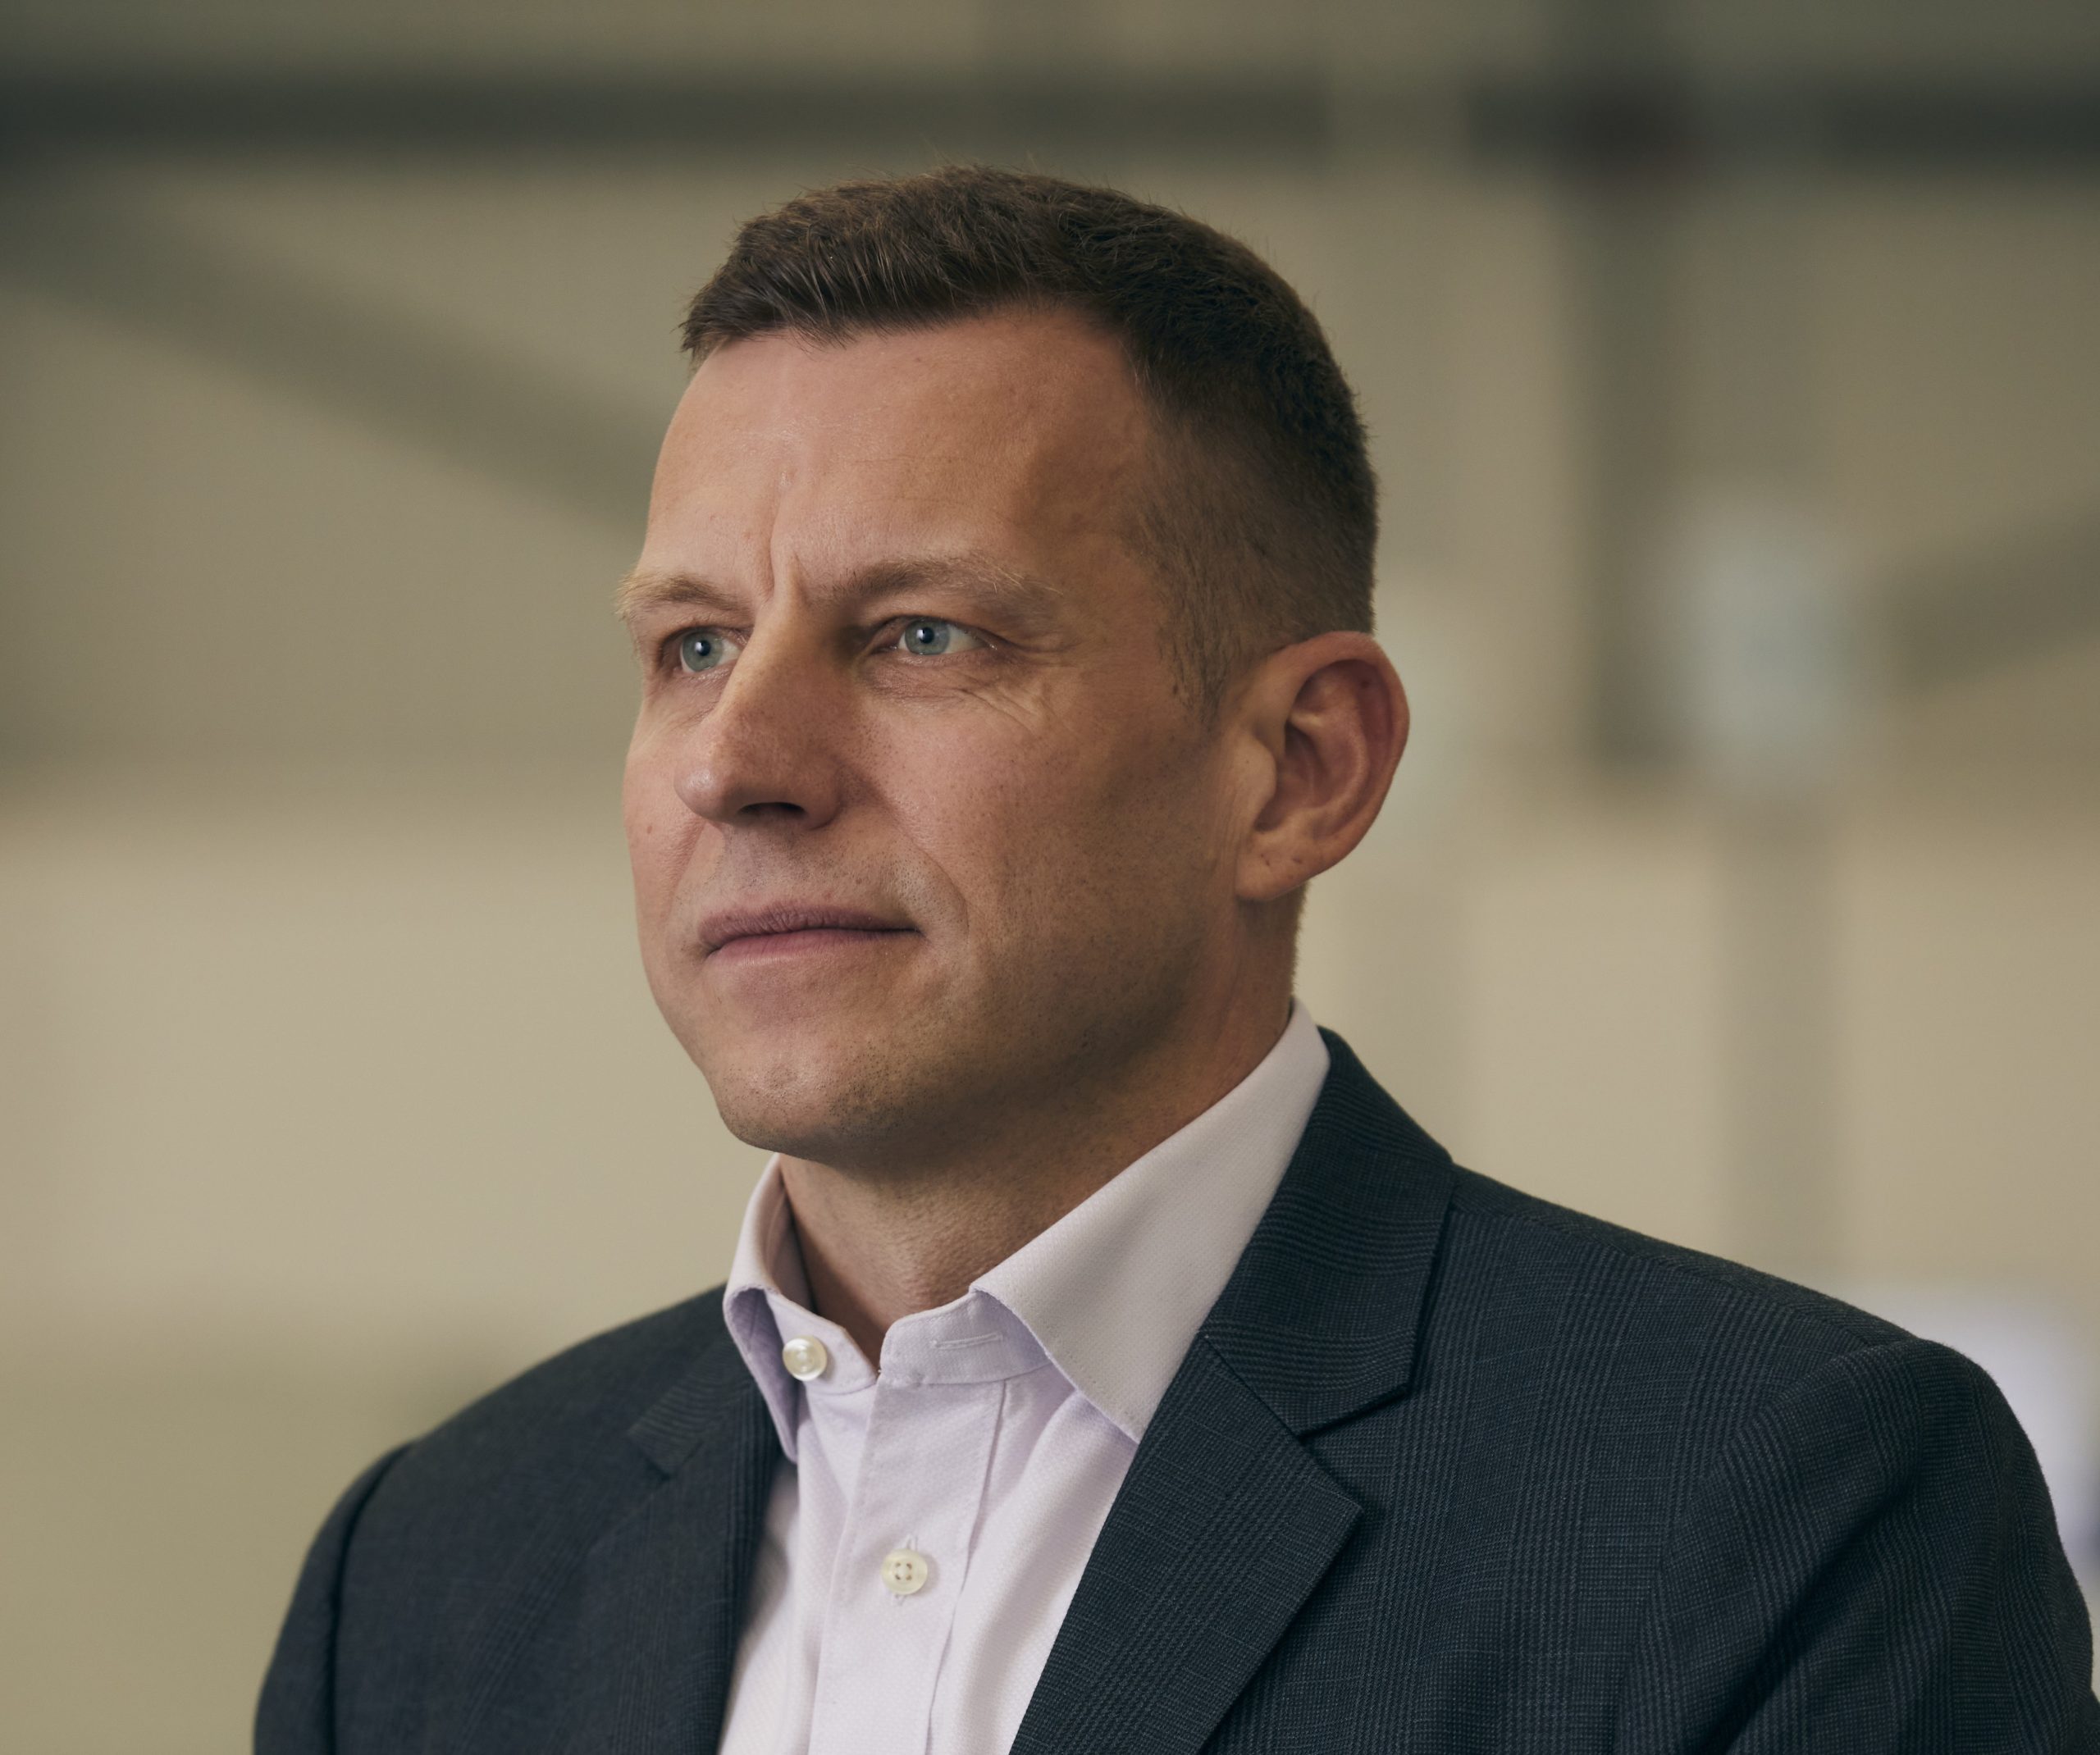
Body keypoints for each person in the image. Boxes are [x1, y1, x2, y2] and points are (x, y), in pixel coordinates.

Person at [257, 167, 2098, 1754]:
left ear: (1299, 768)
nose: (737, 761)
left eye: (921, 634)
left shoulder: (1784, 1513)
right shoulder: (427, 1572)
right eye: (691, 645)